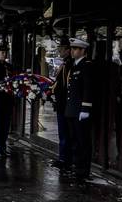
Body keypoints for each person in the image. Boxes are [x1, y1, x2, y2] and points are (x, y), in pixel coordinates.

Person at [65, 37, 94, 182]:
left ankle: (83, 171)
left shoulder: (86, 66)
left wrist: (85, 108)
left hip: (80, 111)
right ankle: (77, 168)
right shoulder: (74, 65)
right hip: (72, 110)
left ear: (83, 51)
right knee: (74, 141)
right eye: (72, 48)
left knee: (83, 141)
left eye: (75, 49)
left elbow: (88, 89)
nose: (72, 51)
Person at [50, 37, 73, 169]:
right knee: (62, 133)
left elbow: (64, 87)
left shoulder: (68, 65)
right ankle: (63, 157)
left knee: (64, 133)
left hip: (64, 105)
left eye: (62, 49)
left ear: (68, 50)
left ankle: (65, 159)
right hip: (61, 104)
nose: (59, 51)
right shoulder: (64, 64)